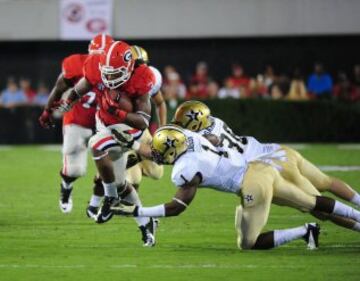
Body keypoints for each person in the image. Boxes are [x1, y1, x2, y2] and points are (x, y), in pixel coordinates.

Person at [109, 125, 360, 250]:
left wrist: (137, 212)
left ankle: (306, 231)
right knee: (313, 201)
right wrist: (133, 142)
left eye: (160, 153)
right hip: (261, 167)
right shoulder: (190, 137)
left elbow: (177, 208)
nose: (156, 156)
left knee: (248, 243)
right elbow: (213, 140)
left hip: (253, 185)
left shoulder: (185, 169)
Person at [171, 100, 360, 232]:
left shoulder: (202, 139)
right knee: (326, 181)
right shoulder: (215, 121)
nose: (181, 127)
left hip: (269, 167)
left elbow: (207, 141)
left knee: (318, 207)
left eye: (183, 123)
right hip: (280, 151)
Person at [56, 40, 157, 246]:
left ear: (129, 67)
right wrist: (70, 99)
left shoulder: (143, 76)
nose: (109, 77)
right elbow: (83, 85)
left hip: (129, 127)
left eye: (115, 73)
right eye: (106, 72)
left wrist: (118, 111)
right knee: (119, 182)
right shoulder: (95, 65)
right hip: (104, 124)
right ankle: (145, 222)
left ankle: (113, 200)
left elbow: (143, 121)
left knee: (97, 145)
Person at [39, 34, 114, 214]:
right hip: (78, 120)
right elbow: (59, 88)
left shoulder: (118, 68)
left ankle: (97, 201)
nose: (99, 61)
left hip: (105, 124)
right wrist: (47, 110)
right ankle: (66, 186)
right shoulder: (76, 65)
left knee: (111, 167)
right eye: (96, 56)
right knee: (75, 170)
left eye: (103, 56)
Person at [86, 45, 164, 215]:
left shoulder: (146, 77)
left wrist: (160, 131)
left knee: (157, 172)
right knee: (131, 178)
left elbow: (158, 104)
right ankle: (130, 207)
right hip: (122, 132)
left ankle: (133, 158)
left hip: (140, 132)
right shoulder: (111, 79)